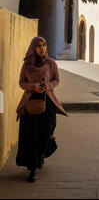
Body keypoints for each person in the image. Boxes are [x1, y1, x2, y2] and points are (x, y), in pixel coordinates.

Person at [15, 36, 68, 182]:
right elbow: (21, 82)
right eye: (38, 46)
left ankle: (41, 155)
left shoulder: (51, 63)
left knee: (46, 133)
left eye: (44, 45)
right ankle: (32, 168)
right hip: (30, 103)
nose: (42, 48)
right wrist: (34, 87)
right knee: (31, 136)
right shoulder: (27, 65)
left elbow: (56, 80)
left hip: (47, 102)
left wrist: (47, 86)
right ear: (33, 48)